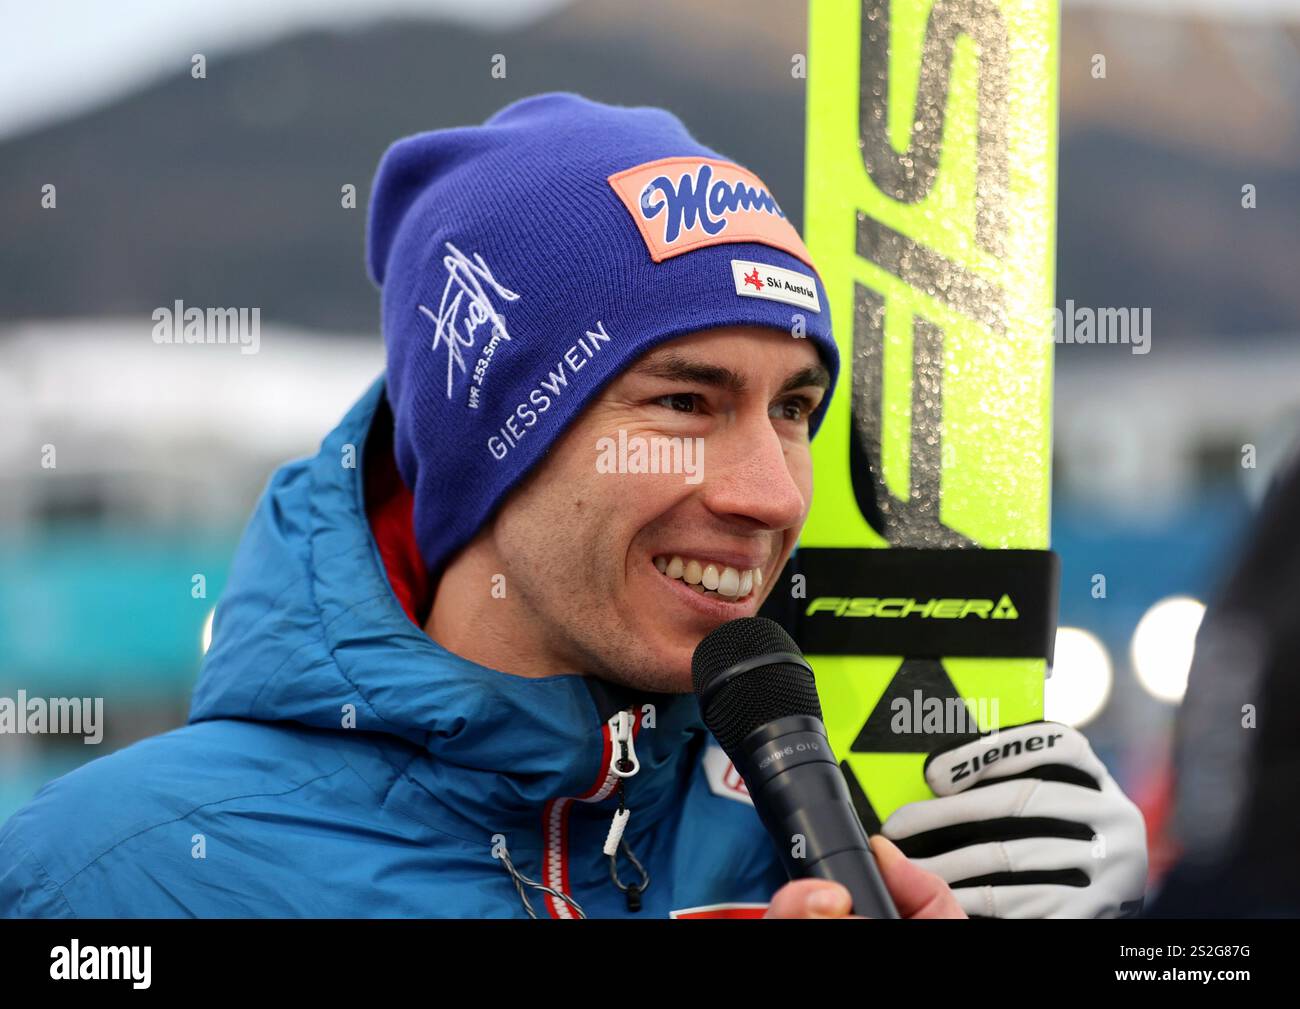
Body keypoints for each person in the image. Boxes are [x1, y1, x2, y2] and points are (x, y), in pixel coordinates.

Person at [0, 93, 1144, 919]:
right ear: (498, 439)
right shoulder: (110, 874)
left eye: (793, 407)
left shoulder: (823, 838)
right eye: (685, 401)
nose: (769, 494)